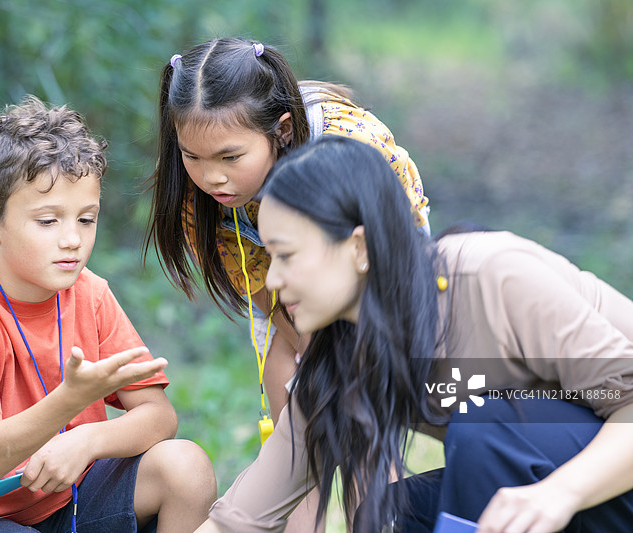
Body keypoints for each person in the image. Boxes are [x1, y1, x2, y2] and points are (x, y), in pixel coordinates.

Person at [196, 135, 633, 533]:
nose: (272, 280)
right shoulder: (343, 354)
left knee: (483, 425)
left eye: (287, 256)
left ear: (360, 248)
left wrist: (561, 493)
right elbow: (239, 519)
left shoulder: (488, 275)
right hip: (565, 487)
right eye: (270, 257)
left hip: (609, 474)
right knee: (398, 511)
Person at [0, 95, 216, 533]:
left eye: (86, 219)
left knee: (186, 467)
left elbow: (159, 417)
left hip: (69, 502)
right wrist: (70, 401)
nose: (72, 240)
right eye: (48, 221)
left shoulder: (90, 294)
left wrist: (86, 441)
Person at [145, 35, 428, 443]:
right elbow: (262, 288)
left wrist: (348, 354)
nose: (211, 177)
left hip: (379, 260)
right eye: (193, 157)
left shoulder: (351, 152)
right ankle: (295, 484)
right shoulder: (195, 194)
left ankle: (380, 490)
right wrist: (305, 343)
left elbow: (392, 251)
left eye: (230, 157)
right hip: (284, 286)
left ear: (282, 131)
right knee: (286, 367)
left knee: (368, 406)